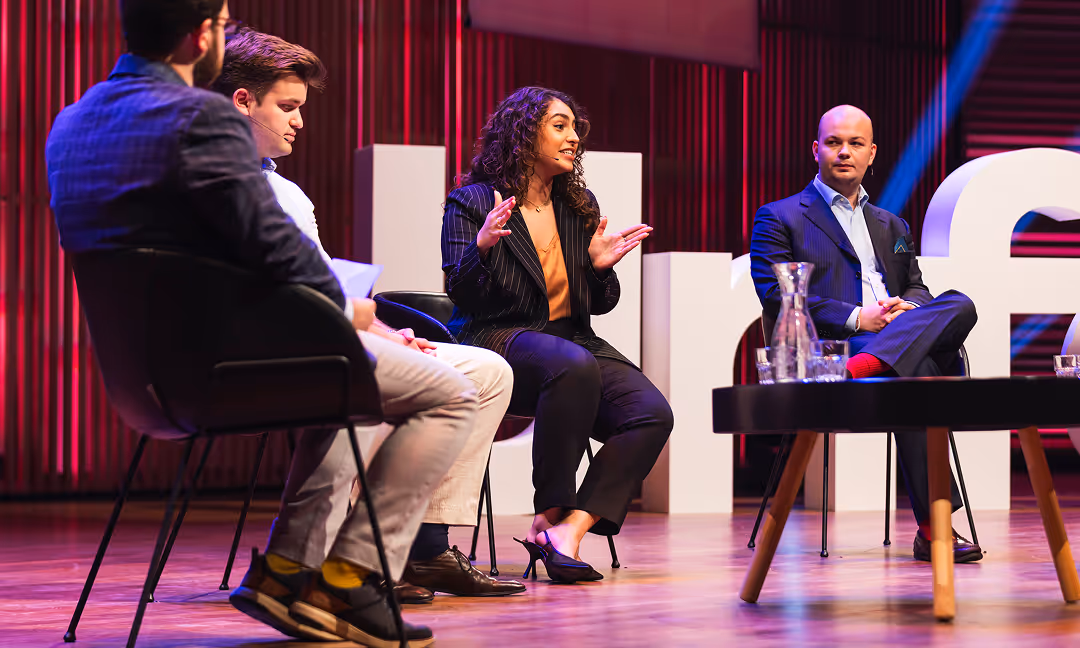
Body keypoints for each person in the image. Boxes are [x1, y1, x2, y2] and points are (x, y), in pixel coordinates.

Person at [46, 2, 478, 645]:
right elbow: (276, 247)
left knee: (349, 380)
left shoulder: (70, 123)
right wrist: (347, 305)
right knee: (449, 392)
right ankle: (349, 574)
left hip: (140, 374)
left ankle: (284, 573)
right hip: (227, 365)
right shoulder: (201, 116)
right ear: (201, 36)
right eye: (220, 24)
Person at [210, 27, 525, 604]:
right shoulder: (218, 183)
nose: (299, 121)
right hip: (277, 345)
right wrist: (372, 329)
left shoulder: (289, 194)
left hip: (321, 328)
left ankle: (424, 548)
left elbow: (324, 285)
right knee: (417, 380)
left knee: (486, 371)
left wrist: (387, 329)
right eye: (288, 107)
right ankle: (354, 566)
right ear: (243, 101)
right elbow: (292, 295)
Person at [441, 86, 674, 583]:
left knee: (651, 414)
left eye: (575, 128)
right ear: (524, 134)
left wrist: (599, 269)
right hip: (500, 338)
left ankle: (569, 529)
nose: (574, 138)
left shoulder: (576, 203)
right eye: (560, 126)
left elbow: (602, 303)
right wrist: (480, 249)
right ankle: (549, 510)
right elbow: (464, 295)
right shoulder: (473, 202)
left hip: (574, 343)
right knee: (568, 363)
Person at [749, 104, 982, 563]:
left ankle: (873, 365)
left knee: (958, 302)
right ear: (816, 149)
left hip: (890, 340)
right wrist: (860, 317)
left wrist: (907, 308)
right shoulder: (779, 217)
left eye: (855, 144)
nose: (844, 152)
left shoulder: (893, 225)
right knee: (919, 371)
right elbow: (778, 296)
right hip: (837, 345)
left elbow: (916, 286)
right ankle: (934, 527)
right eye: (834, 142)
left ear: (871, 153)